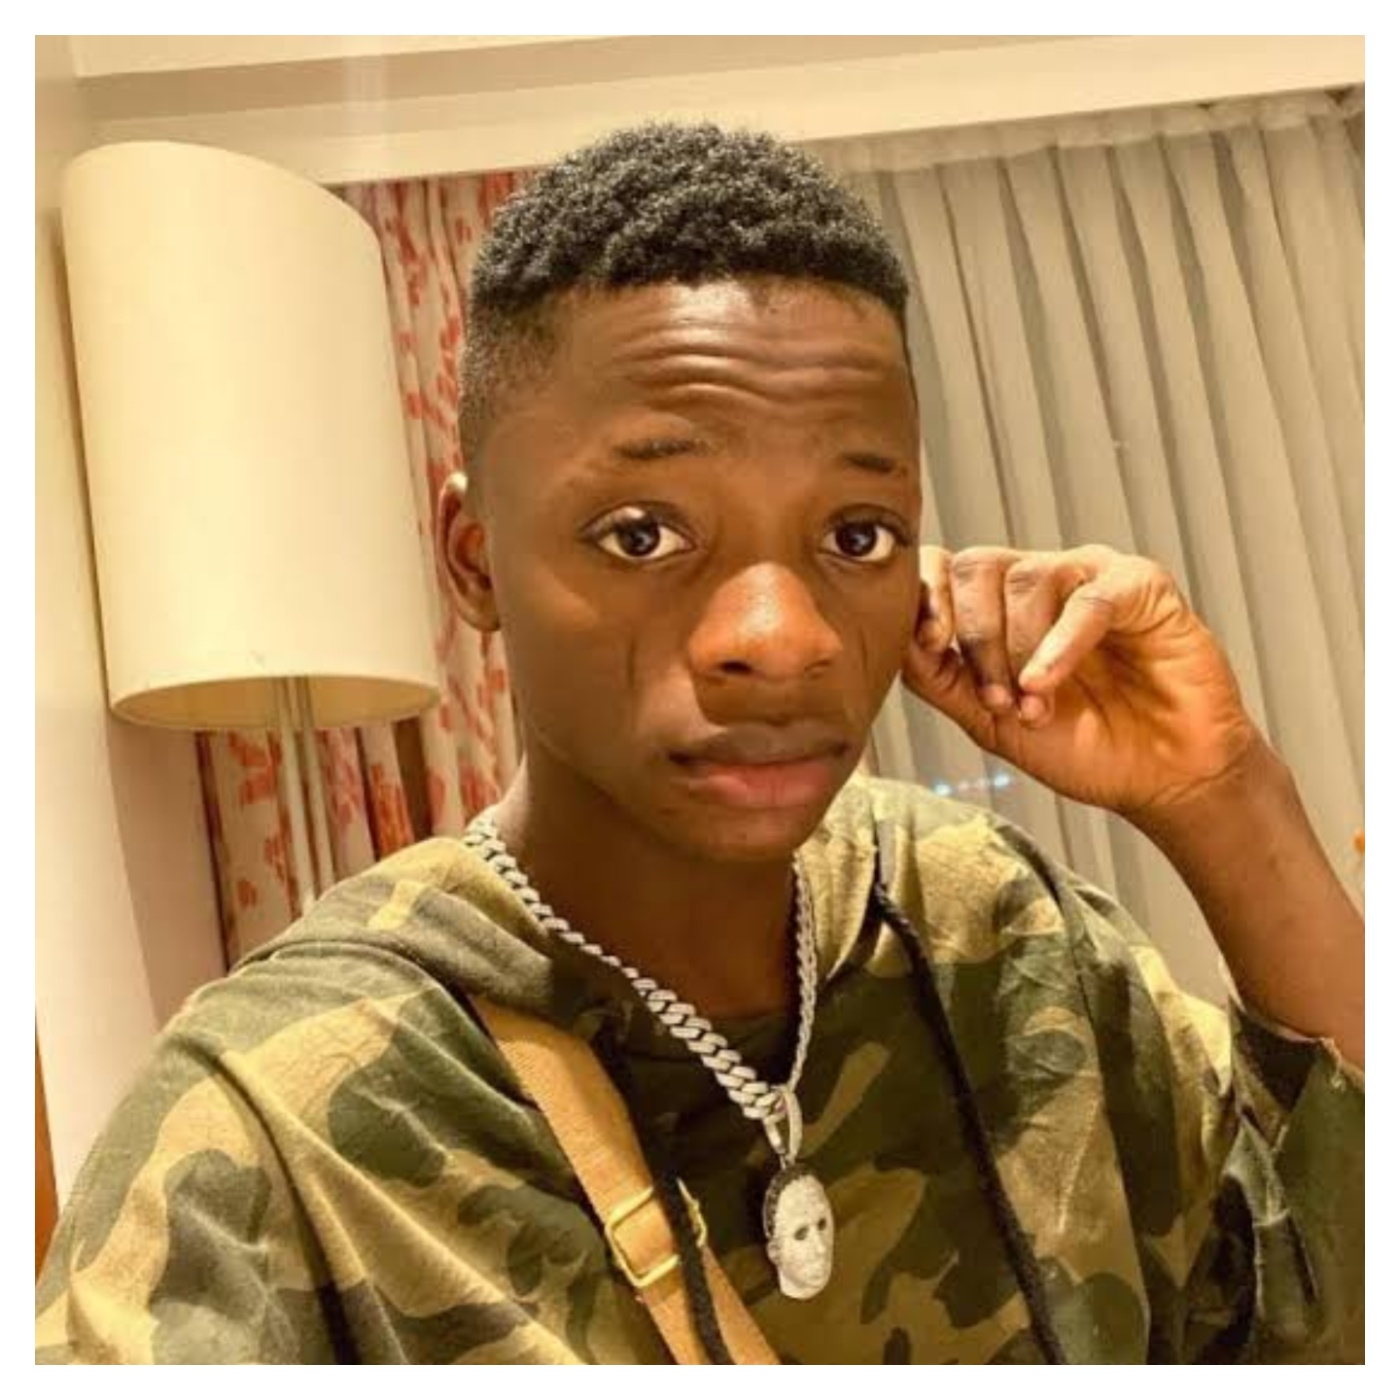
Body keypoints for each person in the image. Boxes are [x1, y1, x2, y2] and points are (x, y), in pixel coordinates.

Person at [36, 122, 1363, 1365]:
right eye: (642, 533)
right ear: (475, 558)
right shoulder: (278, 1125)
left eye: (856, 535)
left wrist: (1225, 795)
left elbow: (1331, 1307)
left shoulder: (992, 925)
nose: (782, 639)